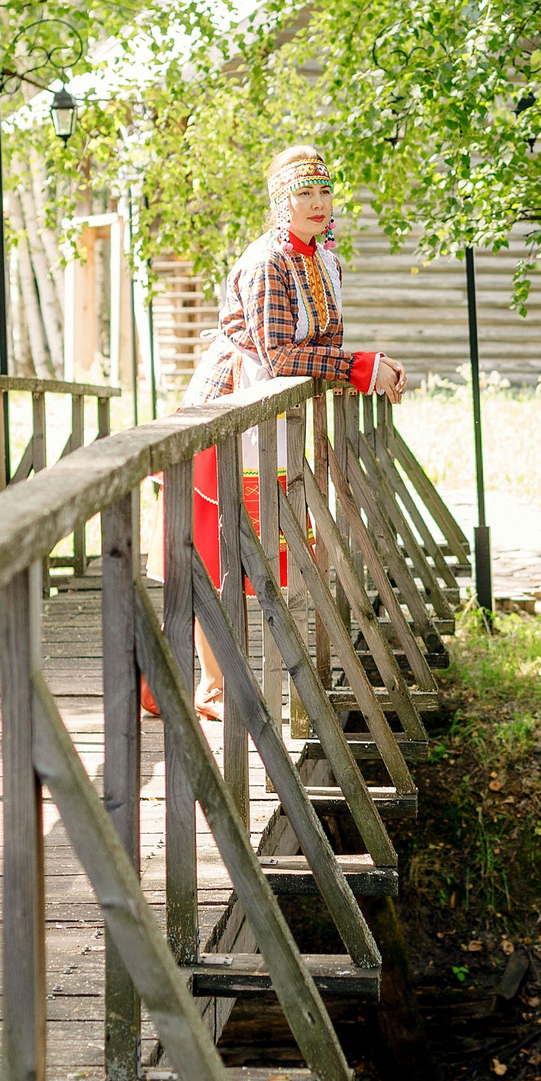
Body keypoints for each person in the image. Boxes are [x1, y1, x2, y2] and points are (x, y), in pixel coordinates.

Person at [176, 144, 405, 721]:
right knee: (219, 546)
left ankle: (285, 682)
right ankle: (213, 685)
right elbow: (279, 357)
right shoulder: (266, 262)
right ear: (281, 201)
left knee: (280, 541)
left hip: (277, 418)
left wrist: (371, 369)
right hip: (230, 415)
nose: (318, 204)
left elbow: (322, 350)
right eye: (304, 193)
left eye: (325, 191)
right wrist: (358, 368)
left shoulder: (324, 261)